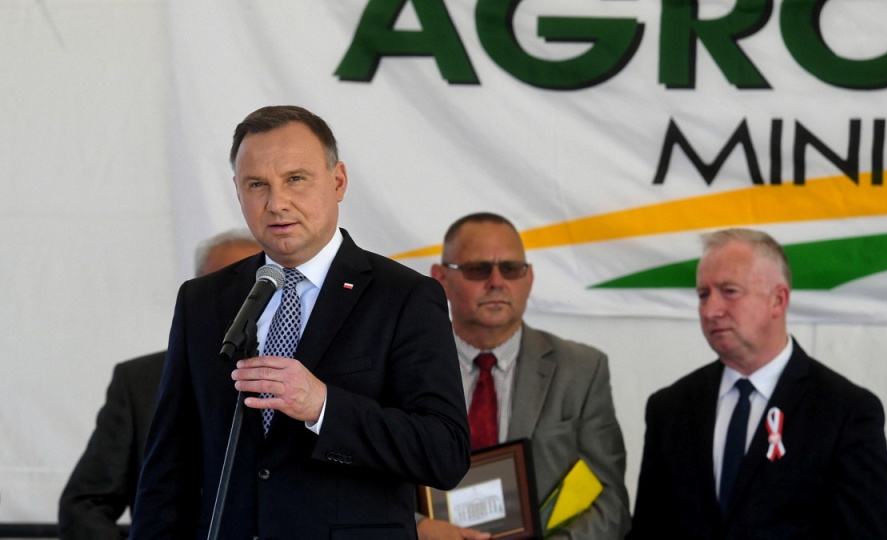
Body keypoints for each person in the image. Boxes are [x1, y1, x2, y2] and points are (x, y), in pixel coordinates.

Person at [130, 105, 470, 539]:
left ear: (338, 181)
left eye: (295, 179)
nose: (277, 203)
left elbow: (445, 453)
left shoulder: (403, 296)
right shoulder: (203, 301)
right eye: (258, 185)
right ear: (238, 191)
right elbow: (167, 469)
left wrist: (323, 407)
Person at [626, 228, 887, 539]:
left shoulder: (844, 413)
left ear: (778, 300)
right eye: (703, 295)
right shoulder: (669, 408)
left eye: (729, 291)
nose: (711, 310)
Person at [423, 212, 630, 540]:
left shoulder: (582, 370)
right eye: (478, 269)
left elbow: (609, 498)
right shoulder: (405, 366)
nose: (496, 281)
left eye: (511, 269)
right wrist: (418, 528)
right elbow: (368, 483)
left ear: (529, 278)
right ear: (440, 278)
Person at [58, 230, 262, 540]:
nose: (242, 301)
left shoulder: (303, 377)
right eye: (227, 283)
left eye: (256, 289)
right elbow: (84, 506)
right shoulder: (140, 380)